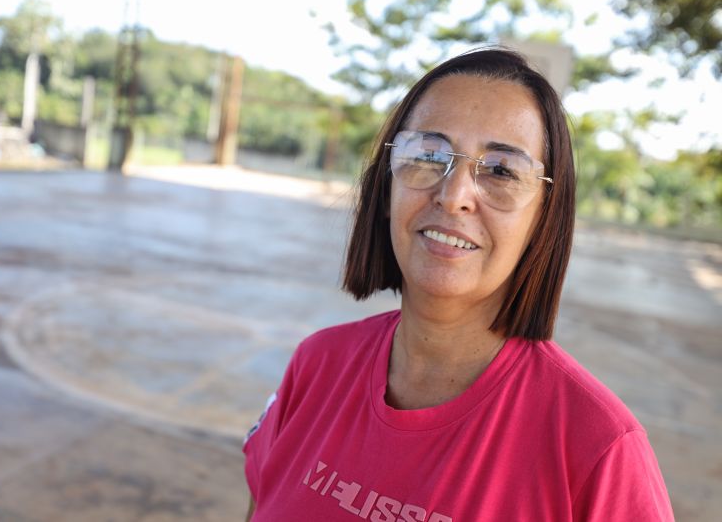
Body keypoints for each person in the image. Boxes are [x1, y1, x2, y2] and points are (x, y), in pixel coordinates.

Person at [242, 47, 674, 521]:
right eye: (428, 155)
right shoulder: (316, 366)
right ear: (387, 187)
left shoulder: (598, 447)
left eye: (501, 171)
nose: (453, 197)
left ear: (543, 220)